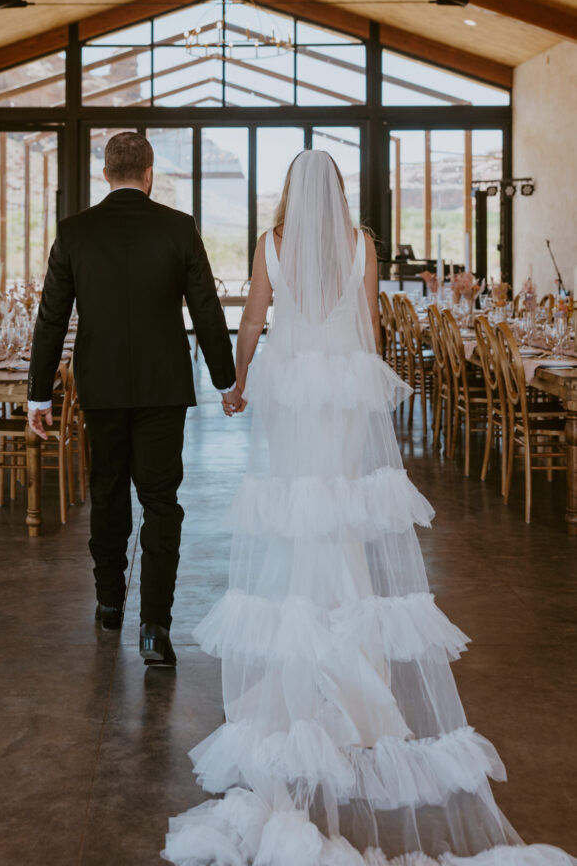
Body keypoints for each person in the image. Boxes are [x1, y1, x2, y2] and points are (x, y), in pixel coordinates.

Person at [164, 150, 575, 865]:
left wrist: (237, 384)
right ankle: (352, 659)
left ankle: (307, 643)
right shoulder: (362, 244)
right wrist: (364, 384)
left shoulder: (272, 244)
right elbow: (368, 328)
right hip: (344, 392)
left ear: (292, 190)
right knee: (342, 510)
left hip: (291, 391)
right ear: (338, 192)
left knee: (297, 506)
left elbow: (254, 321)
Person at [27, 132, 238, 666]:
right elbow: (206, 307)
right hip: (163, 387)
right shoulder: (177, 228)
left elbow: (51, 318)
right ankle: (154, 628)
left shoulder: (74, 232)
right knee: (161, 501)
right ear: (148, 173)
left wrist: (38, 395)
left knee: (107, 490)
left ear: (106, 174)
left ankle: (107, 602)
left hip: (100, 388)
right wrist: (225, 378)